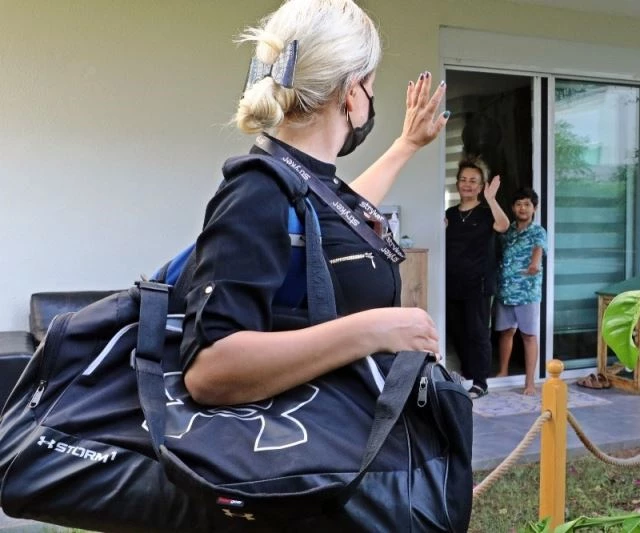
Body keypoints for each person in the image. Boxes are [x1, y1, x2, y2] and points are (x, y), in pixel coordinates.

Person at [180, 1, 447, 422]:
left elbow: (335, 220)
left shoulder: (307, 182)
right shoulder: (255, 190)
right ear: (351, 93)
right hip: (293, 447)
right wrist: (375, 330)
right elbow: (209, 371)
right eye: (371, 85)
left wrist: (406, 145)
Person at [445, 157, 510, 399]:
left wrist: (491, 199)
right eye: (463, 180)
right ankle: (466, 375)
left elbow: (503, 226)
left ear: (481, 186)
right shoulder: (450, 214)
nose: (467, 184)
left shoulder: (486, 213)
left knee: (478, 333)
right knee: (457, 333)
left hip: (479, 284)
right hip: (452, 283)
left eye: (473, 181)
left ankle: (481, 382)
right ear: (457, 184)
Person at [495, 187, 547, 395]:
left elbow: (538, 249)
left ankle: (530, 382)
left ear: (534, 208)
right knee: (506, 332)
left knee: (528, 335)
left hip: (527, 292)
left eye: (527, 204)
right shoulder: (507, 231)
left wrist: (534, 264)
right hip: (505, 290)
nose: (522, 208)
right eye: (518, 204)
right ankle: (503, 372)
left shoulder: (538, 231)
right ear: (512, 208)